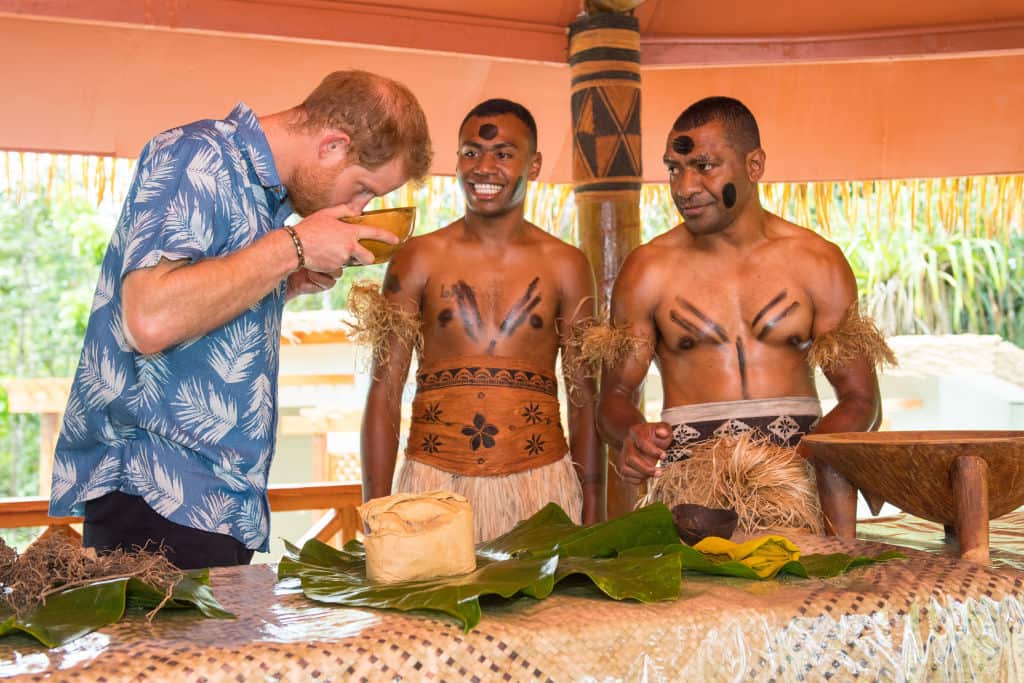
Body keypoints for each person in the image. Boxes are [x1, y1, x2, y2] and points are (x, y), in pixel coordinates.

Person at [49, 70, 433, 569]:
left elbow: (196, 318)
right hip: (160, 492)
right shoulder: (198, 155)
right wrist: (293, 246)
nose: (358, 208)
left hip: (216, 504)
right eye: (362, 188)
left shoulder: (263, 197)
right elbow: (149, 318)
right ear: (332, 146)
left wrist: (281, 284)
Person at [597, 96, 888, 534]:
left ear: (754, 165)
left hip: (802, 490)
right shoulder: (648, 270)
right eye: (674, 168)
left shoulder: (816, 262)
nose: (684, 187)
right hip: (693, 495)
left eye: (704, 166)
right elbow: (614, 397)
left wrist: (791, 467)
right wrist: (632, 434)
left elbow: (862, 401)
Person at [360, 98, 603, 542]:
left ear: (534, 166)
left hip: (540, 489)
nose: (483, 167)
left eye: (503, 154)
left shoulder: (566, 264)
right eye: (470, 152)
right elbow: (384, 391)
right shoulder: (418, 257)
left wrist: (591, 514)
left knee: (545, 614)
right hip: (432, 489)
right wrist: (375, 511)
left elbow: (584, 398)